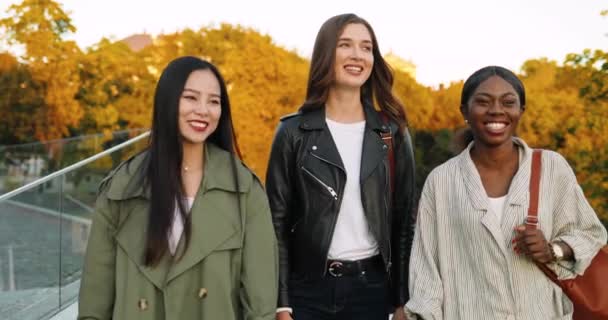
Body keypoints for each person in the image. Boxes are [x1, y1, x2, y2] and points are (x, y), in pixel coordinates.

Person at [78, 56, 278, 320]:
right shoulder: (120, 190)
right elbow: (94, 305)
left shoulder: (245, 191)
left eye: (214, 101)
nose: (203, 110)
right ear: (167, 101)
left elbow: (260, 305)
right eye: (191, 98)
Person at [405, 66, 608, 319]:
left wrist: (553, 250)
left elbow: (590, 232)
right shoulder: (441, 181)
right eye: (483, 102)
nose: (496, 110)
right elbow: (426, 270)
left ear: (520, 111)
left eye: (508, 102)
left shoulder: (551, 167)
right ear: (464, 111)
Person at [265, 13, 416, 320]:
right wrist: (282, 304)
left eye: (366, 47)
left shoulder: (391, 132)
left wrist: (403, 301)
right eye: (345, 44)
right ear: (325, 54)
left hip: (373, 292)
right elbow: (276, 224)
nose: (357, 55)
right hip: (307, 293)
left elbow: (405, 223)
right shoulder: (293, 133)